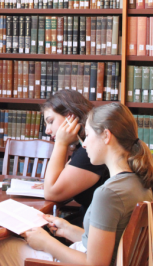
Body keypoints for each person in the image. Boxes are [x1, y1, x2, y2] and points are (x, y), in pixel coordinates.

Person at [0, 102, 153, 266]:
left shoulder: (108, 194)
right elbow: (108, 243)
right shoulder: (139, 180)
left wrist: (47, 243)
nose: (84, 144)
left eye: (87, 135)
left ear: (106, 136)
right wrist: (67, 229)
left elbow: (95, 263)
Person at [35, 90, 109, 228]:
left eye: (50, 122)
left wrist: (61, 143)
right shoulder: (86, 147)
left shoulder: (89, 152)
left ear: (70, 117)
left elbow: (51, 193)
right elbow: (58, 180)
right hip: (89, 224)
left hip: (91, 231)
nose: (47, 130)